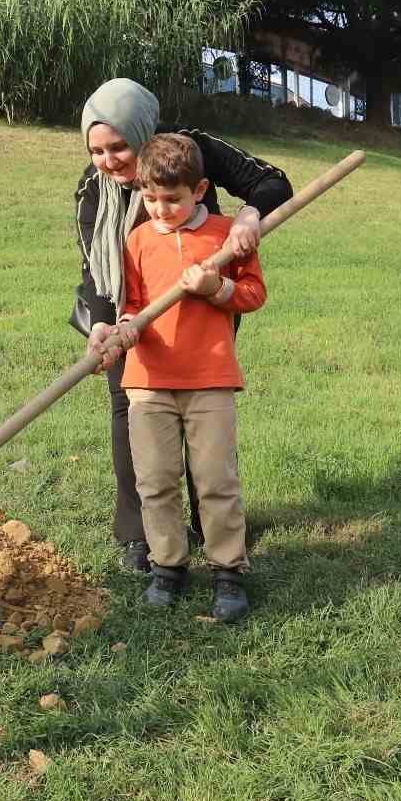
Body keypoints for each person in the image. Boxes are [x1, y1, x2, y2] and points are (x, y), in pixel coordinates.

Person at [72, 78, 291, 575]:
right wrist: (103, 328)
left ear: (141, 130)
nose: (108, 161)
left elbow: (272, 181)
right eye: (97, 150)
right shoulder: (92, 187)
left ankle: (212, 526)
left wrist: (248, 218)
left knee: (199, 416)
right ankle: (140, 534)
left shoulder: (189, 151)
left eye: (119, 146)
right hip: (132, 315)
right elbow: (94, 268)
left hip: (202, 310)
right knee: (130, 411)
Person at [93, 133, 265, 618]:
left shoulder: (226, 237)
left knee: (215, 479)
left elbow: (253, 294)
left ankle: (228, 570)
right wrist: (126, 326)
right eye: (150, 199)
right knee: (156, 479)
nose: (161, 209)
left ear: (200, 188)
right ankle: (168, 564)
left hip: (210, 377)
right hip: (147, 381)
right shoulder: (138, 240)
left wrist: (217, 286)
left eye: (173, 199)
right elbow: (131, 304)